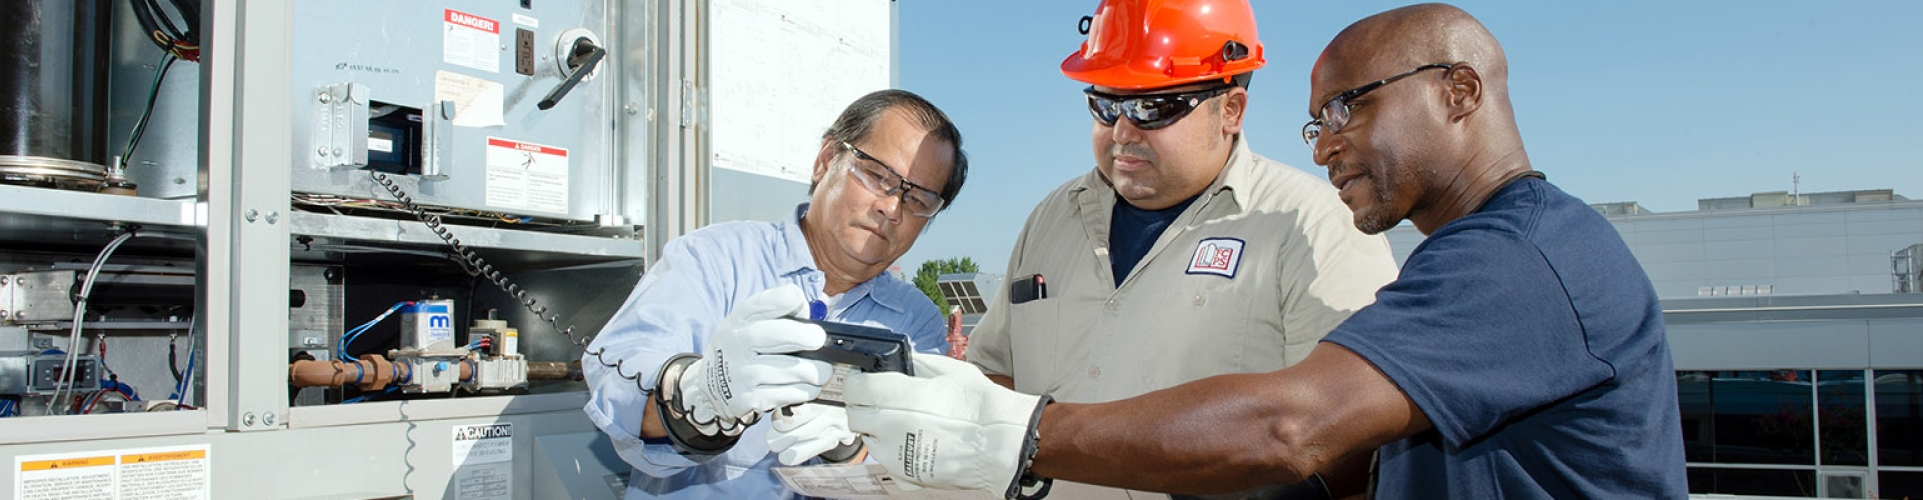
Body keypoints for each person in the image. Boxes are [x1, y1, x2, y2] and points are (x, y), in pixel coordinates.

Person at [842, 4, 1687, 499]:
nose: (1326, 145)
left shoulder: (1519, 261)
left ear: (1458, 90)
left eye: (1348, 110)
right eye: (1106, 104)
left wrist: (1013, 435)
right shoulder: (1467, 256)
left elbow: (1299, 428)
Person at [960, 0, 1397, 496]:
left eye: (1152, 108)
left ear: (1230, 110)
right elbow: (992, 372)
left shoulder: (1313, 227)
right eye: (1106, 105)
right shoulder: (1052, 218)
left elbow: (1348, 441)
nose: (1122, 133)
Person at [581, 89, 967, 499]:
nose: (891, 208)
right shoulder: (715, 259)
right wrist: (696, 393)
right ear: (825, 161)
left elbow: (925, 463)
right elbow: (617, 379)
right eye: (878, 176)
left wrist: (853, 451)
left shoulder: (916, 324)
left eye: (918, 198)